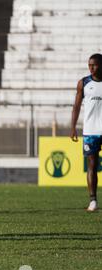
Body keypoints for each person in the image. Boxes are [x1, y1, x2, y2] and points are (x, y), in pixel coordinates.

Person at [70, 53, 102, 212]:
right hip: (90, 131)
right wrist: (73, 126)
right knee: (92, 165)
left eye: (94, 65)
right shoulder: (83, 83)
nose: (91, 68)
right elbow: (76, 106)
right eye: (89, 65)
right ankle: (93, 201)